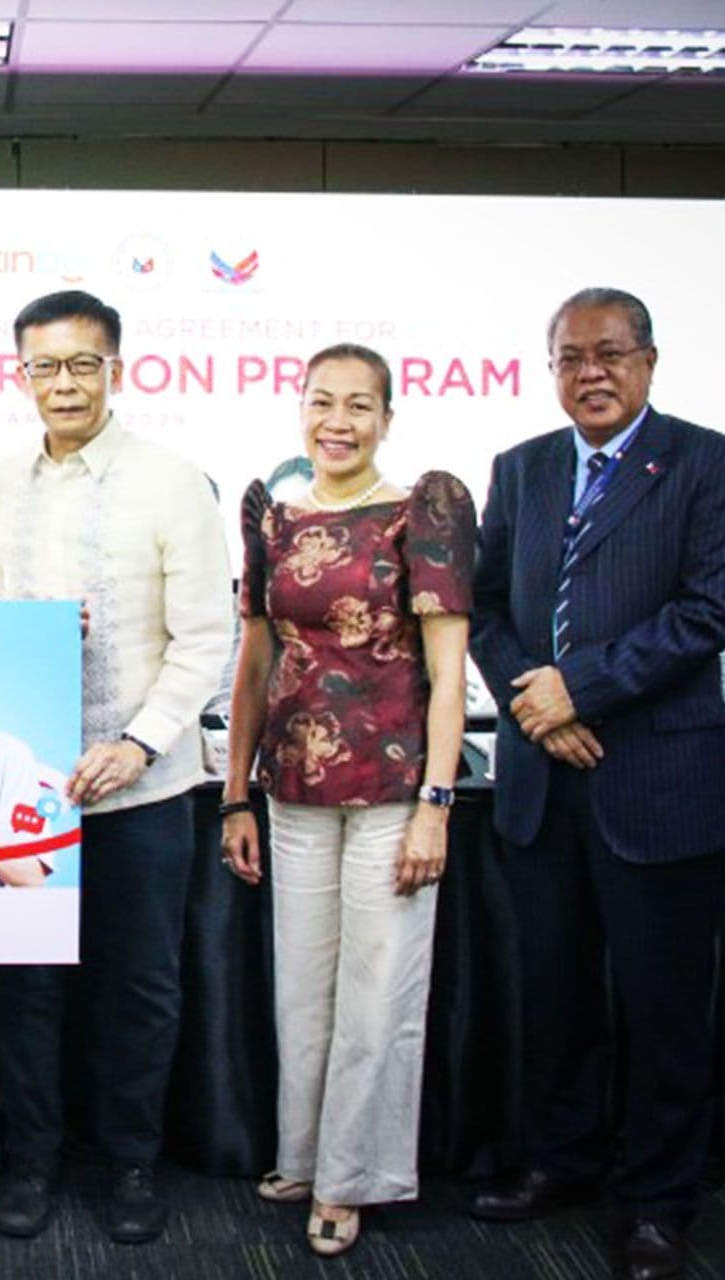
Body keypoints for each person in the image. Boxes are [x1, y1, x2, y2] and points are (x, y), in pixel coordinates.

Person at [467, 288, 725, 1280]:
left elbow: (708, 609)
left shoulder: (703, 462)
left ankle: (660, 1200)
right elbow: (487, 605)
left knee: (663, 1009)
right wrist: (537, 702)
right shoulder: (523, 467)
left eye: (610, 353)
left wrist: (584, 688)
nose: (591, 373)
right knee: (555, 992)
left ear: (649, 360)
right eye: (571, 357)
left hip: (660, 780)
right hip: (543, 780)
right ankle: (560, 1160)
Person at [0, 289, 231, 1242]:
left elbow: (205, 637)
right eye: (45, 366)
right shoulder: (5, 480)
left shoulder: (172, 481)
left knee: (139, 989)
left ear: (115, 371)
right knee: (27, 985)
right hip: (33, 792)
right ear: (21, 376)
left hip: (146, 787)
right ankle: (31, 1159)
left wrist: (140, 743)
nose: (64, 383)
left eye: (83, 364)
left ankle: (131, 1162)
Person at [220, 345, 476, 1257]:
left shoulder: (424, 511)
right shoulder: (273, 515)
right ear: (300, 409)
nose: (339, 421)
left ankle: (353, 1177)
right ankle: (305, 1155)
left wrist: (437, 803)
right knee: (303, 988)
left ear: (387, 418)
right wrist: (236, 795)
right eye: (322, 402)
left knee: (378, 990)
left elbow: (448, 675)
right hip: (291, 787)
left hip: (392, 790)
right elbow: (255, 662)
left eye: (360, 405)